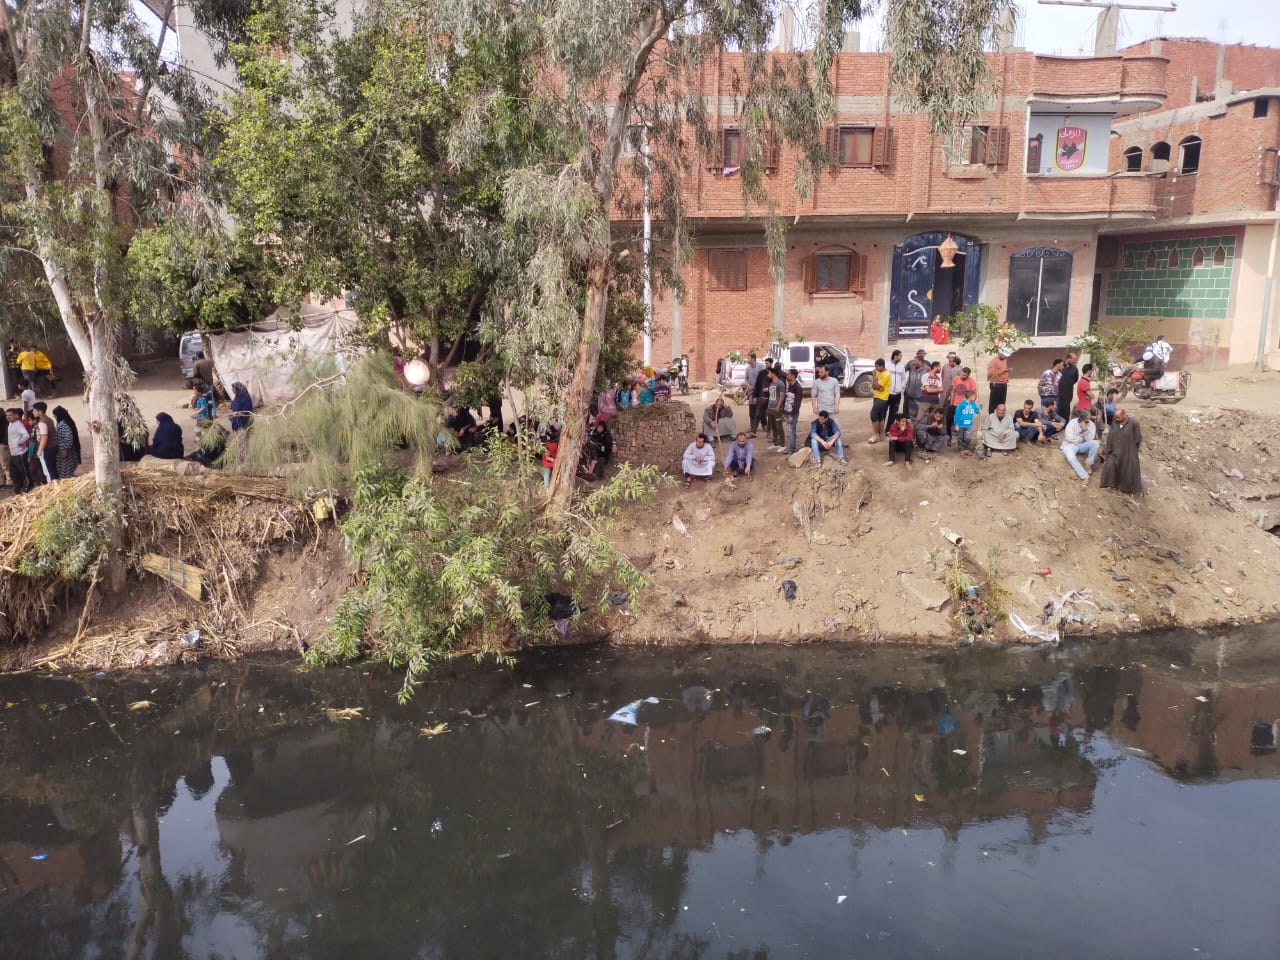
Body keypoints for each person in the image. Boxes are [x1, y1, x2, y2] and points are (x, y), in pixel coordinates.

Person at [1100, 408, 1144, 494]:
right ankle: (1111, 485)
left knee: (1127, 469)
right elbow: (1110, 436)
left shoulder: (1134, 424)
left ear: (1124, 415)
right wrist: (1108, 449)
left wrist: (1132, 451)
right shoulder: (1114, 423)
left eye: (1118, 417)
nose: (1116, 419)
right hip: (1115, 450)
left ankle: (1125, 489)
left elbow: (1138, 439)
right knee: (1110, 465)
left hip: (1128, 451)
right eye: (1115, 417)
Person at [1060, 409, 1099, 483]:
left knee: (1095, 443)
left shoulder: (1091, 425)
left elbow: (1089, 439)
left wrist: (1085, 430)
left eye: (1090, 418)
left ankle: (1089, 463)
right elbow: (1069, 438)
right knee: (1071, 457)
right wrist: (1081, 438)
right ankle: (1084, 476)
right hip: (1069, 445)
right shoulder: (1072, 423)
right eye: (1087, 418)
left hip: (1082, 445)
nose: (1089, 420)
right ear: (1082, 418)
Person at [5, 408, 31, 492]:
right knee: (14, 472)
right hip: (13, 453)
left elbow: (26, 435)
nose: (8, 417)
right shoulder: (10, 424)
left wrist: (20, 442)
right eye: (7, 415)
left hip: (20, 453)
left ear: (15, 416)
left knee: (24, 471)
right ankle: (18, 487)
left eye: (10, 415)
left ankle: (28, 487)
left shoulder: (18, 424)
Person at [30, 401, 56, 483]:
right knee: (52, 469)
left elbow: (44, 437)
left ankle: (52, 485)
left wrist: (39, 450)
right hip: (53, 447)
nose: (33, 412)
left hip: (47, 448)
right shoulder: (49, 419)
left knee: (48, 470)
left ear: (40, 412)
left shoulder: (42, 422)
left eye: (34, 410)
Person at [747, 356, 773, 436]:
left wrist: (769, 389)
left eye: (767, 363)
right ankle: (753, 432)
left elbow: (776, 385)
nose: (766, 365)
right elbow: (757, 385)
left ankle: (769, 432)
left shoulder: (774, 373)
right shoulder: (762, 373)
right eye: (765, 363)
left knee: (769, 415)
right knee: (757, 414)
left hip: (770, 397)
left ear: (771, 363)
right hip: (761, 397)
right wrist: (755, 396)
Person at [868, 358, 890, 444]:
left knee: (873, 414)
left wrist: (874, 378)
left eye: (877, 366)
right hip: (877, 396)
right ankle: (882, 435)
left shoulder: (886, 374)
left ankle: (875, 435)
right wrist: (876, 385)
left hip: (882, 397)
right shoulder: (878, 372)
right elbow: (876, 387)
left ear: (882, 366)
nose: (875, 368)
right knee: (880, 416)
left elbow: (876, 386)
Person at [781, 368, 803, 454]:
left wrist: (792, 415)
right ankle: (792, 447)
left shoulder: (798, 388)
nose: (787, 376)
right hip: (787, 412)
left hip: (792, 413)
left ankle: (791, 449)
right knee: (790, 430)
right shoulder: (789, 386)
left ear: (793, 376)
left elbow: (797, 403)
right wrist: (784, 412)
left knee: (791, 430)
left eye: (788, 374)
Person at [953, 388, 980, 456]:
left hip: (969, 425)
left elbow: (976, 411)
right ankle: (961, 449)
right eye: (974, 396)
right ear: (970, 397)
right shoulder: (961, 405)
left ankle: (966, 449)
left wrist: (980, 407)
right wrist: (956, 424)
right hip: (961, 424)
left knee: (968, 438)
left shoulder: (973, 404)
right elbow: (957, 415)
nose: (975, 397)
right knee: (960, 438)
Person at [940, 353, 962, 439]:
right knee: (946, 407)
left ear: (955, 361)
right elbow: (942, 377)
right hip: (947, 391)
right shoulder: (945, 367)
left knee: (951, 408)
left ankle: (952, 426)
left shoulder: (956, 369)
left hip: (953, 392)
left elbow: (956, 382)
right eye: (949, 360)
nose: (950, 362)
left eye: (951, 361)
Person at [765, 367, 786, 450]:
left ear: (773, 374)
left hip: (777, 408)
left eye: (769, 373)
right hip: (770, 406)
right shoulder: (771, 383)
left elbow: (782, 396)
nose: (768, 375)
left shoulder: (780, 384)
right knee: (773, 425)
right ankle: (776, 442)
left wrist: (778, 406)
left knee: (779, 426)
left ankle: (782, 444)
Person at [886, 349, 908, 423]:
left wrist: (901, 388)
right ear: (895, 356)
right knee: (883, 412)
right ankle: (880, 431)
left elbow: (903, 379)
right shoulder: (886, 365)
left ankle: (888, 430)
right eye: (900, 356)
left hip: (897, 394)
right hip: (887, 393)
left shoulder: (901, 366)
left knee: (893, 413)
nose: (901, 358)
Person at [986, 348, 1011, 413]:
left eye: (1006, 355)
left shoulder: (1005, 360)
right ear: (1000, 353)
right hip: (996, 384)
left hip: (1004, 383)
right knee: (994, 402)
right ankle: (991, 415)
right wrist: (1003, 371)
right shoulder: (994, 361)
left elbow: (1003, 369)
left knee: (1002, 402)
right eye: (1004, 355)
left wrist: (1006, 377)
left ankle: (1000, 415)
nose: (1005, 356)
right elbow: (991, 373)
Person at [904, 354, 926, 421]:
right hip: (911, 397)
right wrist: (907, 390)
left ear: (920, 362)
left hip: (920, 398)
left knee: (921, 416)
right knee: (912, 416)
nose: (913, 362)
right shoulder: (913, 370)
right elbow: (909, 381)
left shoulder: (926, 372)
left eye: (915, 361)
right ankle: (913, 428)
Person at [1057, 351, 1079, 419]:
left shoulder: (1074, 368)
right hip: (1058, 392)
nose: (1075, 361)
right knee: (1058, 408)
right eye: (1073, 360)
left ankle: (1066, 424)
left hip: (1068, 393)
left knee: (1066, 409)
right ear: (1068, 358)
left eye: (1075, 360)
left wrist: (1068, 384)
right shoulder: (1060, 366)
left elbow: (1075, 379)